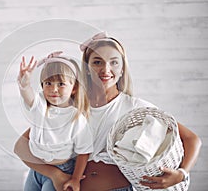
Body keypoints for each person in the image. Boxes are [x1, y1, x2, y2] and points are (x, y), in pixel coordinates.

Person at [14, 33, 202, 191]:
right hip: (62, 183)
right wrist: (54, 174)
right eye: (97, 62)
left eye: (114, 63)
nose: (106, 69)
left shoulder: (136, 108)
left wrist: (181, 173)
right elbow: (23, 146)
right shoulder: (70, 105)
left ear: (122, 69)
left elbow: (192, 139)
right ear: (86, 69)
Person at [17, 51, 93, 191]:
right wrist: (25, 83)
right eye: (48, 83)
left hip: (63, 170)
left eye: (61, 84)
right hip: (37, 168)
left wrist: (75, 179)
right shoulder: (40, 106)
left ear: (74, 88)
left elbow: (84, 152)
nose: (54, 89)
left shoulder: (76, 118)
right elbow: (28, 96)